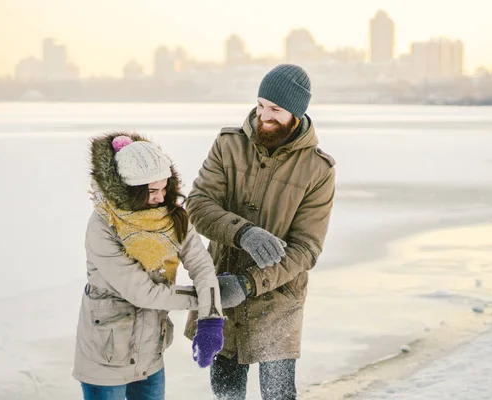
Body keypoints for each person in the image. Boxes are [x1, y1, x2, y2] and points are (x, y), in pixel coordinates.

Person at [183, 64, 336, 400]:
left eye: (275, 110)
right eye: (261, 105)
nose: (263, 116)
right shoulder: (229, 145)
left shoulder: (318, 169)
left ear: (296, 113)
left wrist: (250, 283)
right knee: (227, 394)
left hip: (279, 299)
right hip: (222, 289)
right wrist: (244, 233)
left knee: (278, 396)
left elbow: (306, 248)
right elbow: (197, 205)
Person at [73, 132, 225, 400]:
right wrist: (201, 299)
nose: (160, 197)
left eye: (164, 188)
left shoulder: (174, 218)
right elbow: (143, 293)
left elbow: (201, 266)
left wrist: (211, 317)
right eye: (151, 191)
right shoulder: (103, 226)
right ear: (131, 191)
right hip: (106, 354)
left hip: (150, 353)